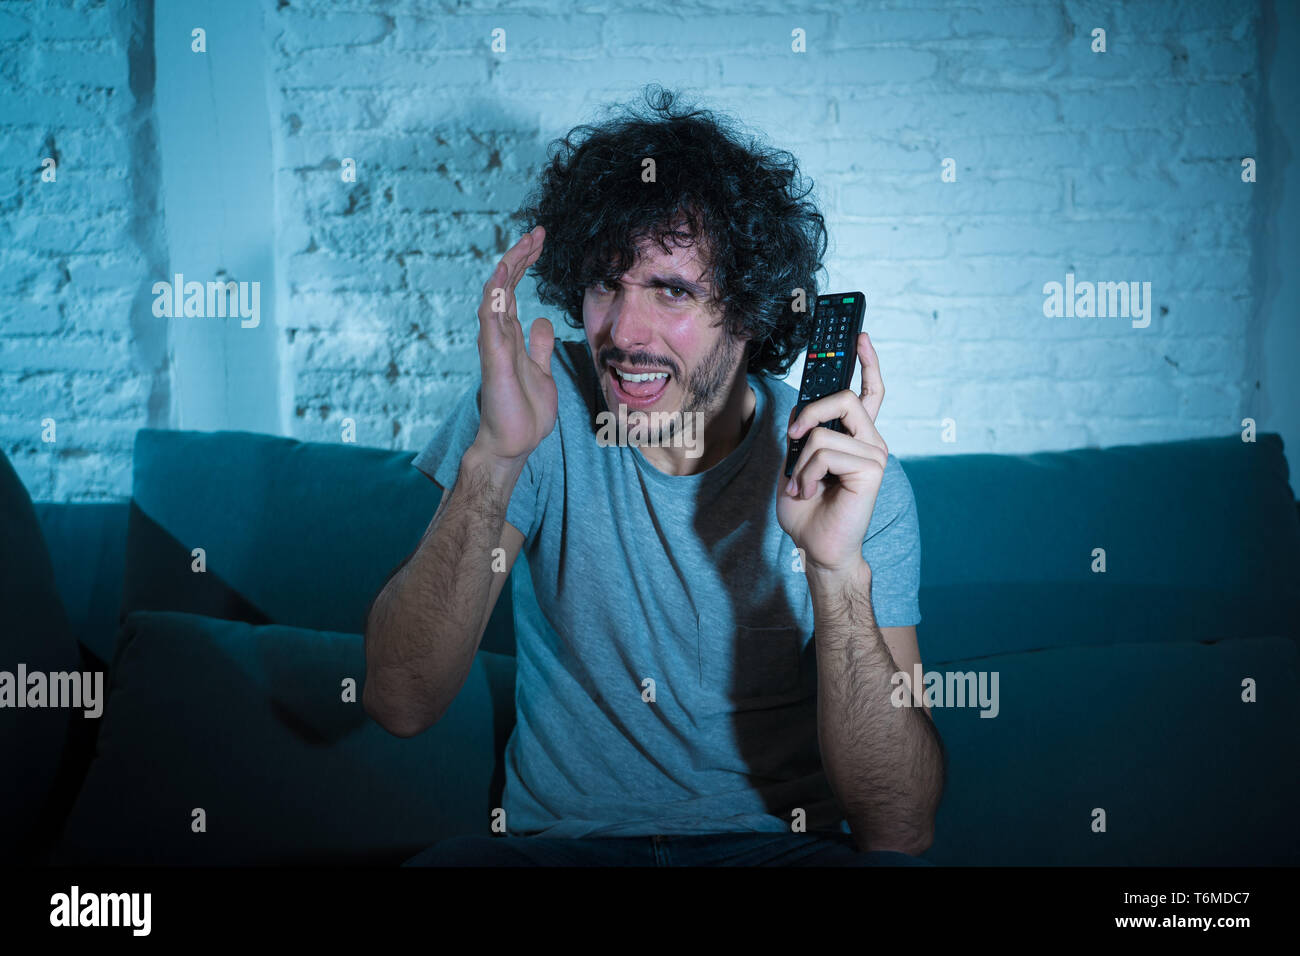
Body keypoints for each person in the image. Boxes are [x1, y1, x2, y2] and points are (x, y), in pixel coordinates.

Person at [363, 86, 945, 867]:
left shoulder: (846, 473)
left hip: (779, 853)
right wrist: (495, 459)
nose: (624, 334)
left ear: (750, 312)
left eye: (672, 290)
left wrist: (836, 571)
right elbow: (400, 702)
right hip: (563, 852)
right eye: (607, 285)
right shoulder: (535, 409)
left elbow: (900, 828)